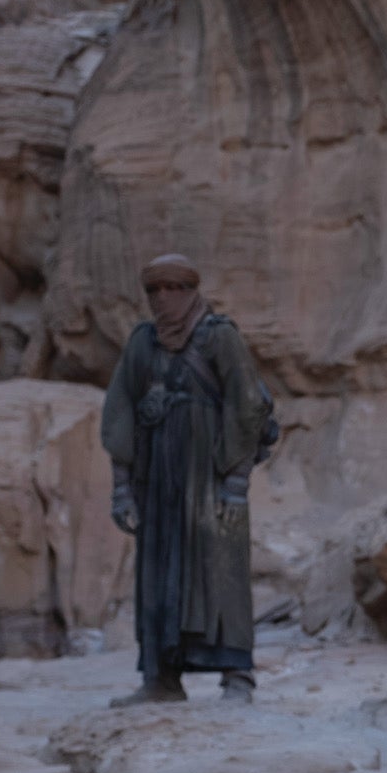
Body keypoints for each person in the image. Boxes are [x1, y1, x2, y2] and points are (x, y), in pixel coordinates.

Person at [102, 254, 277, 707]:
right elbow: (119, 411)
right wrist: (122, 487)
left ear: (192, 289)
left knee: (221, 571)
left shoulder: (220, 338)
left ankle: (237, 677)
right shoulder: (142, 343)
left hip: (211, 479)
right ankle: (161, 680)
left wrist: (235, 482)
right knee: (157, 574)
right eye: (155, 290)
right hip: (156, 481)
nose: (164, 298)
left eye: (174, 287)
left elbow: (247, 406)